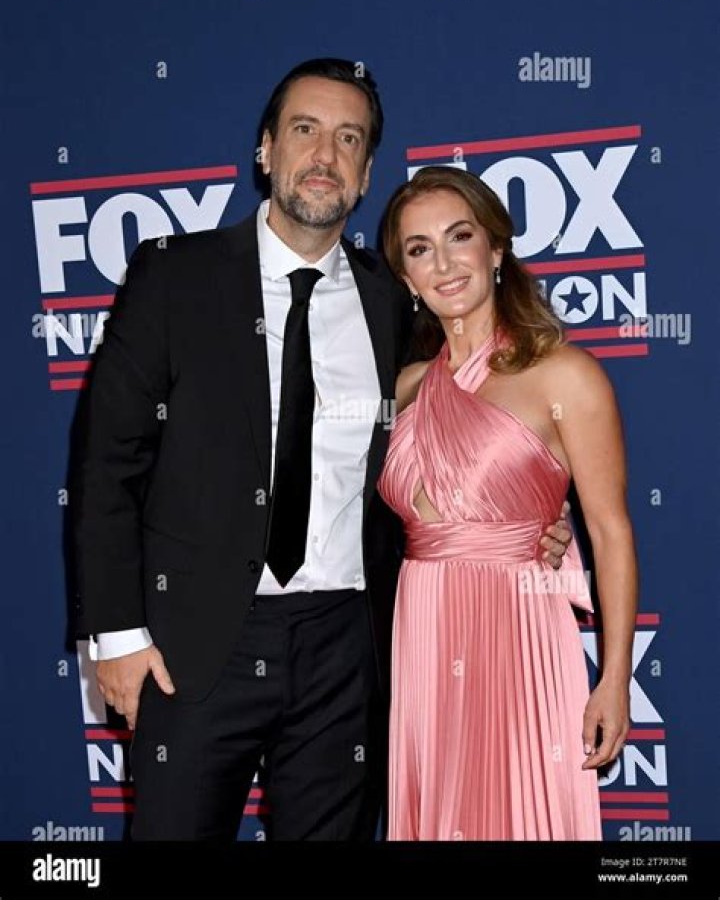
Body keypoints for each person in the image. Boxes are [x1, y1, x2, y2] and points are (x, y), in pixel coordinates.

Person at [70, 59, 573, 841]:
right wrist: (118, 635)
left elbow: (463, 425)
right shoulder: (176, 277)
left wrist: (532, 520)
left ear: (367, 173)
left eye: (349, 138)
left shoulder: (394, 298)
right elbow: (107, 464)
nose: (325, 155)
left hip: (348, 646)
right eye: (305, 130)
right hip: (195, 643)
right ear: (266, 149)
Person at [378, 166, 638, 841]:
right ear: (406, 277)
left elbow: (610, 531)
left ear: (496, 248)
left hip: (520, 628)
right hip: (424, 628)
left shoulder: (565, 375)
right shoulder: (401, 390)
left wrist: (614, 678)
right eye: (420, 249)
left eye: (460, 237)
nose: (443, 264)